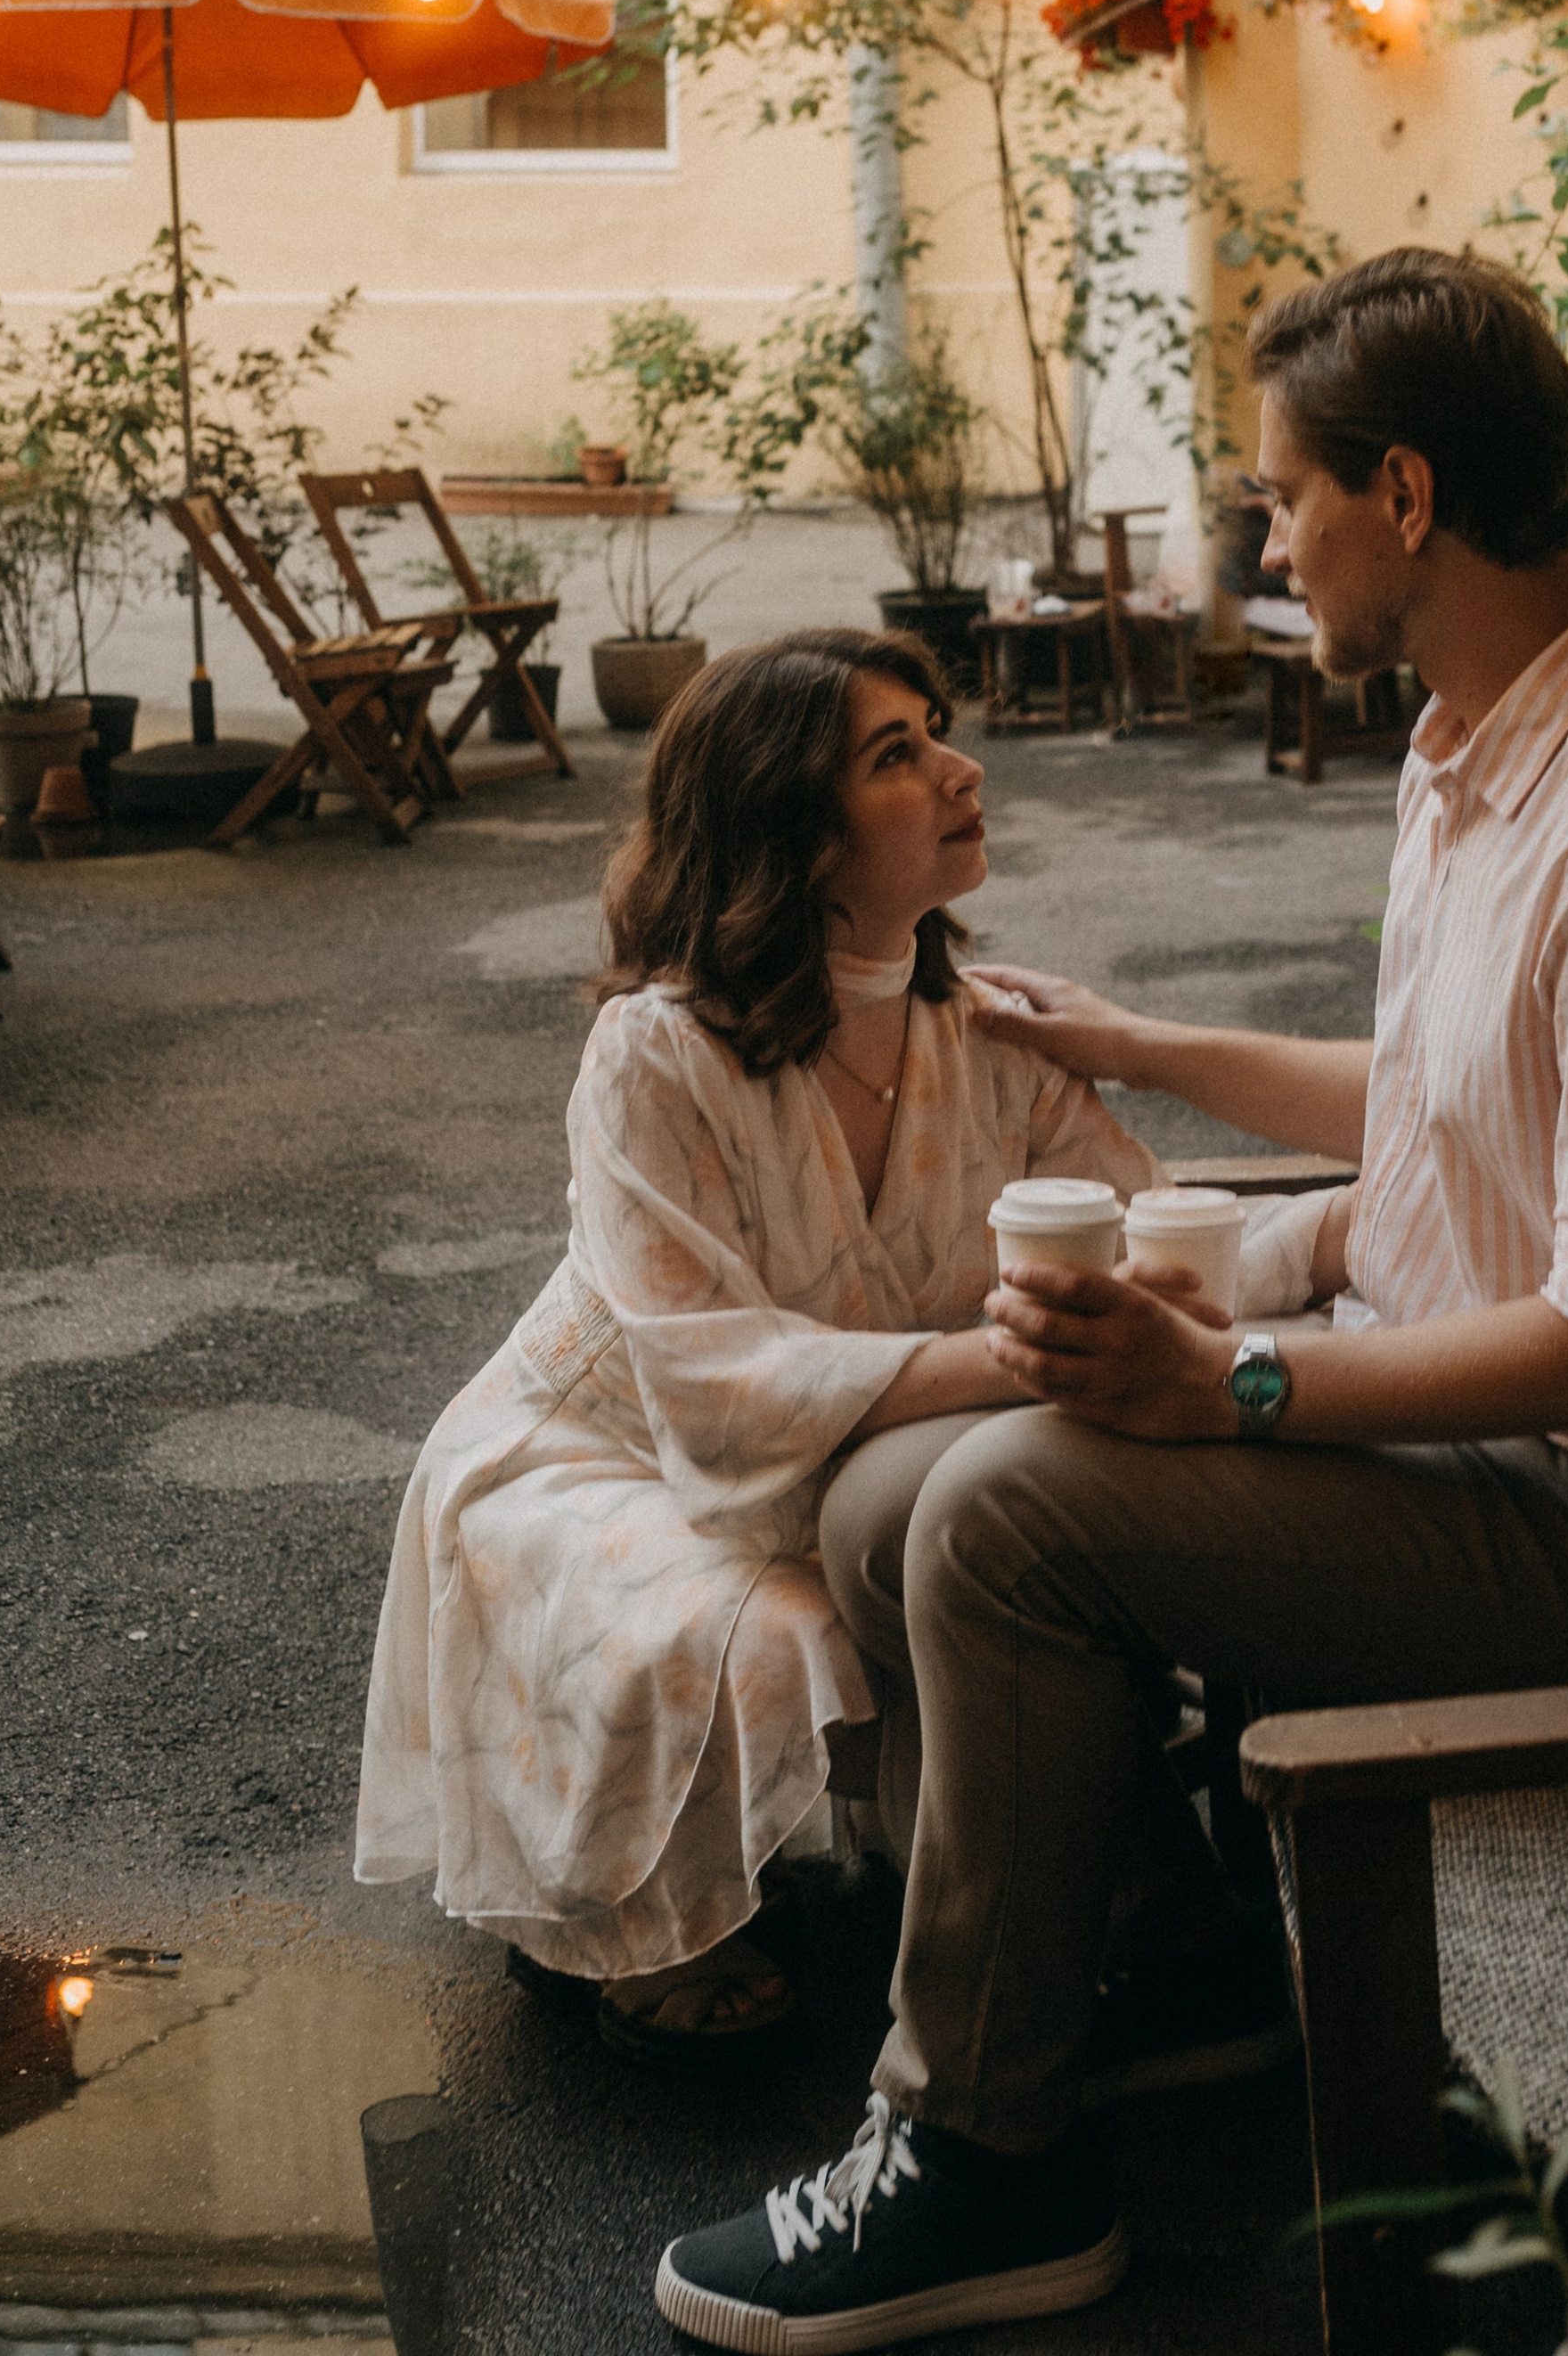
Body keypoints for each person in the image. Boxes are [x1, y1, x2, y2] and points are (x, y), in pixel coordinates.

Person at [650, 248, 1568, 2348]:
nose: (1256, 537)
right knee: (878, 1501)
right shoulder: (1479, 744)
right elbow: (1449, 1101)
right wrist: (1142, 1053)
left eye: (1276, 497)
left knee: (1015, 1511)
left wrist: (1231, 1385)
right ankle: (1140, 1962)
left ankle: (983, 2155)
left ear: (1402, 496)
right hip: (1508, 1439)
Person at [352, 626, 1160, 2066]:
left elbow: (1147, 1233)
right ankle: (644, 1920)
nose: (963, 771)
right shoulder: (656, 1055)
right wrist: (1026, 1357)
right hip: (605, 1459)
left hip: (858, 1434)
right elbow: (714, 1389)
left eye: (938, 732)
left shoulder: (990, 1034)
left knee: (985, 1550)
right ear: (796, 832)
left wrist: (1346, 1232)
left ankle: (1028, 1906)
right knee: (798, 1630)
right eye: (896, 754)